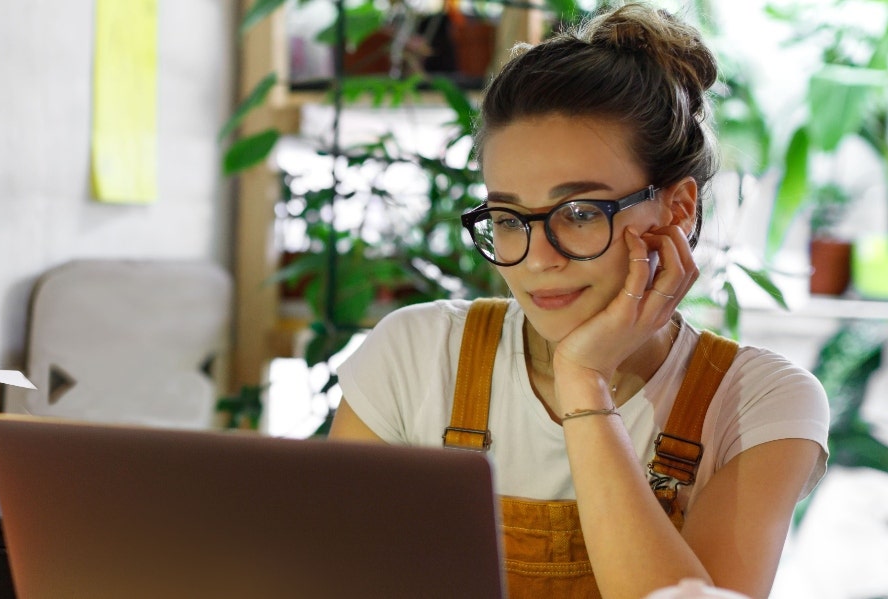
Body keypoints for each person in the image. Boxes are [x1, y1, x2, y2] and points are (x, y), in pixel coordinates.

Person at [329, 4, 830, 599]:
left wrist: (584, 380)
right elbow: (324, 574)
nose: (538, 258)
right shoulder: (417, 353)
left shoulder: (759, 402)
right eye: (509, 218)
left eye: (581, 213)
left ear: (678, 209)